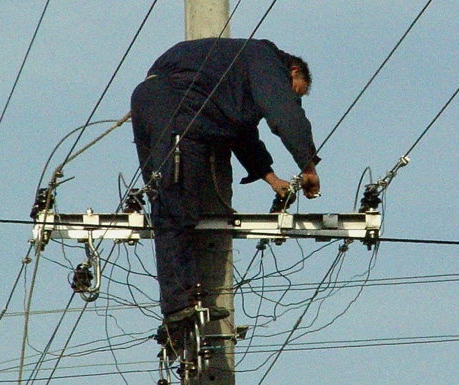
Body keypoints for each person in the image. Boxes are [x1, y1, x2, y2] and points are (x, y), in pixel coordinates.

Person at [130, 38, 320, 323]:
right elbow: (284, 112)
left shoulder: (234, 76)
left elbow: (241, 131)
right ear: (292, 71)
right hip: (177, 107)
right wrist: (308, 166)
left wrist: (270, 178)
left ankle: (180, 306)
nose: (293, 97)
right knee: (176, 208)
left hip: (154, 102)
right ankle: (181, 305)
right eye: (296, 91)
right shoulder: (266, 59)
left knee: (167, 206)